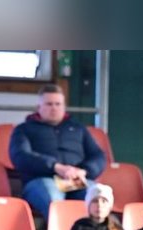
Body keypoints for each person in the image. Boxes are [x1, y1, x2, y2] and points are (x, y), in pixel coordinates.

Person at [8, 83, 105, 221]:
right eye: (49, 104)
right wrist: (56, 167)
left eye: (58, 104)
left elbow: (98, 156)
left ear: (64, 107)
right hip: (43, 180)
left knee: (97, 199)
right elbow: (20, 157)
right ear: (39, 108)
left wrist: (84, 171)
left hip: (76, 179)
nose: (54, 108)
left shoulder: (78, 129)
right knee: (54, 201)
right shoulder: (23, 129)